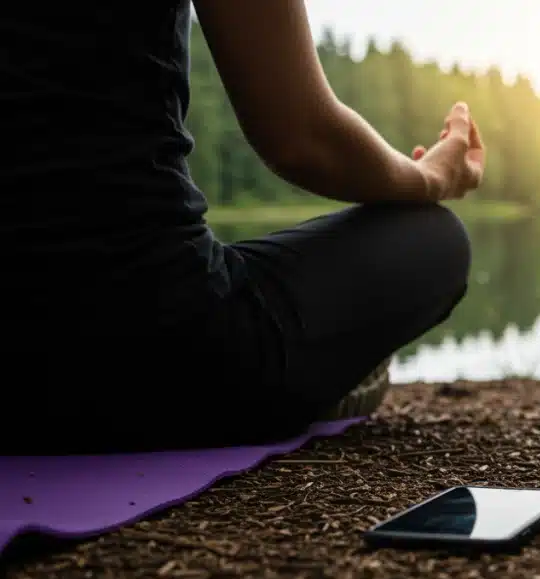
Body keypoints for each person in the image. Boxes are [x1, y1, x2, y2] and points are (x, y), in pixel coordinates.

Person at [0, 1, 483, 454]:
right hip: (147, 349)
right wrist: (429, 177)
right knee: (434, 239)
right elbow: (303, 140)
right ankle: (305, 382)